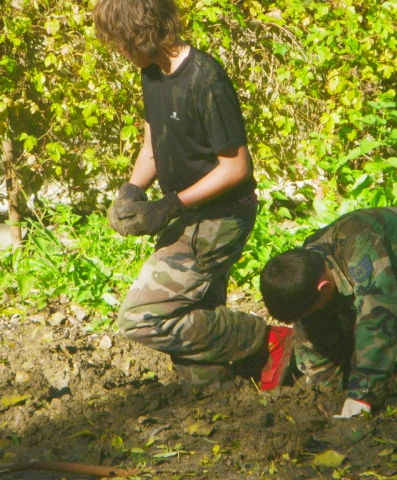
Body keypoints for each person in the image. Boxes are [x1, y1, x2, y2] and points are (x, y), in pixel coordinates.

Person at [92, 0, 292, 390]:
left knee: (142, 317)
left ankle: (265, 338)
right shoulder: (152, 74)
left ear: (142, 34)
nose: (118, 51)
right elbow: (154, 138)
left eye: (121, 42)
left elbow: (236, 168)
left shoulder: (206, 78)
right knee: (198, 368)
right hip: (187, 213)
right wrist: (132, 190)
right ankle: (236, 385)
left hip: (220, 216)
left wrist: (169, 205)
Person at [260, 207, 397, 417]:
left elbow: (379, 318)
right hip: (396, 288)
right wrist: (323, 393)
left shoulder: (362, 249)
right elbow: (312, 334)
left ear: (324, 288)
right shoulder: (306, 271)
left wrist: (362, 396)